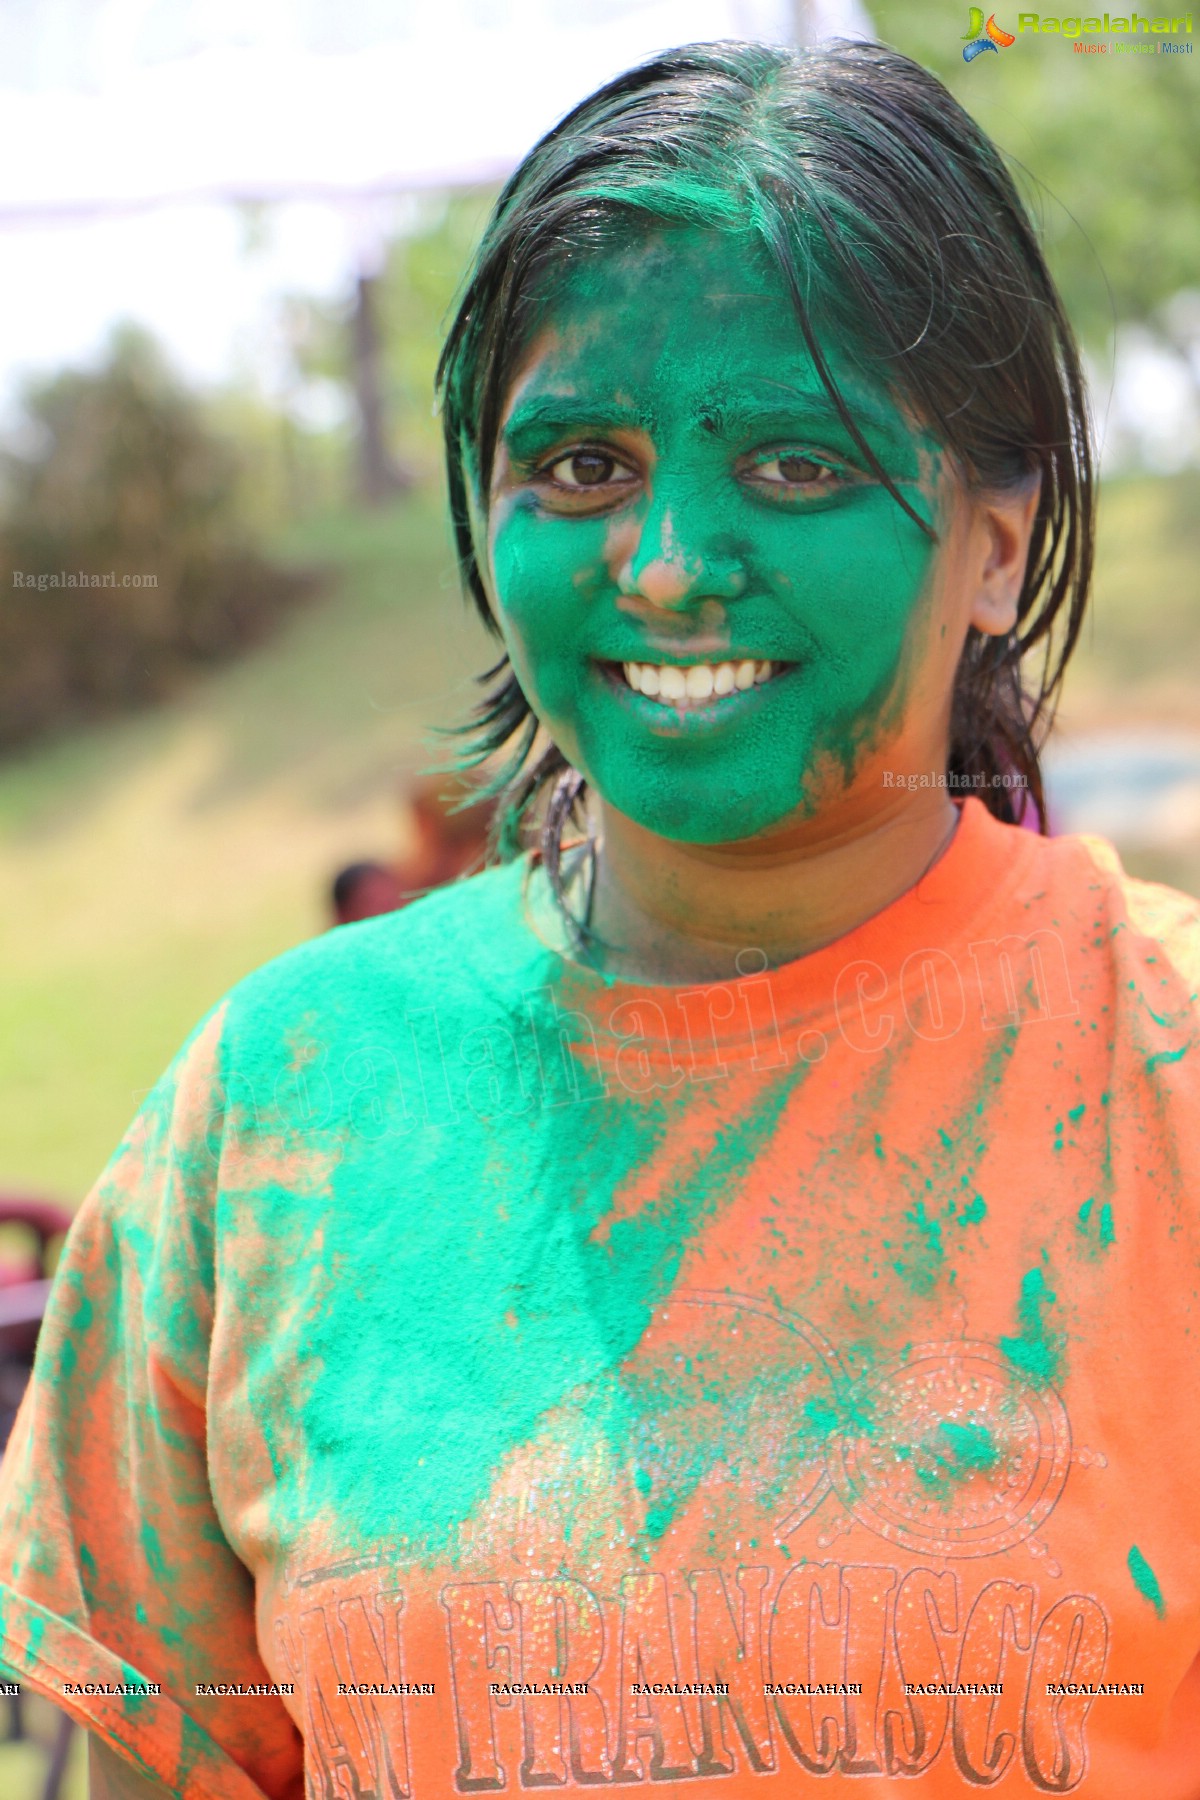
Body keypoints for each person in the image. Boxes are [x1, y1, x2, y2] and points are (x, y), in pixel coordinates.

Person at [1, 38, 1197, 1800]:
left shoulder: (1161, 1062)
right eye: (577, 467)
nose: (663, 560)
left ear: (999, 540)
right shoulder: (277, 1108)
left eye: (795, 464)